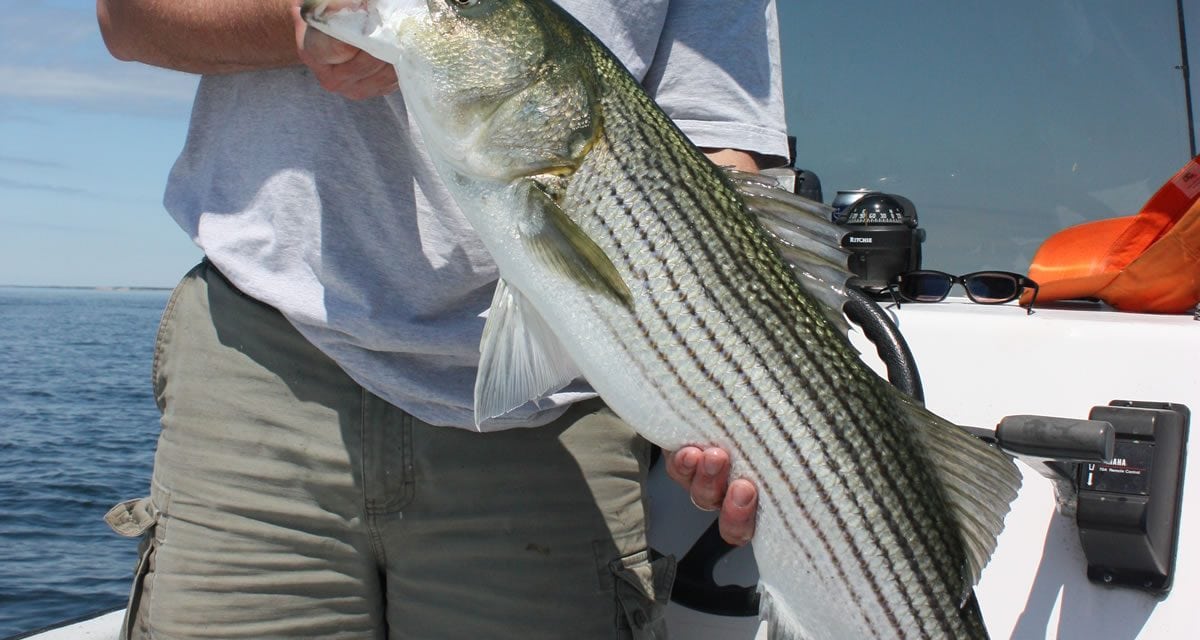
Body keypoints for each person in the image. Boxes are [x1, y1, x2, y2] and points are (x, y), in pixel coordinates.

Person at [97, 0, 790, 637]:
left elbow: (717, 152)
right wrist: (292, 21)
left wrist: (714, 388)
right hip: (258, 369)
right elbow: (127, 16)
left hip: (551, 413)